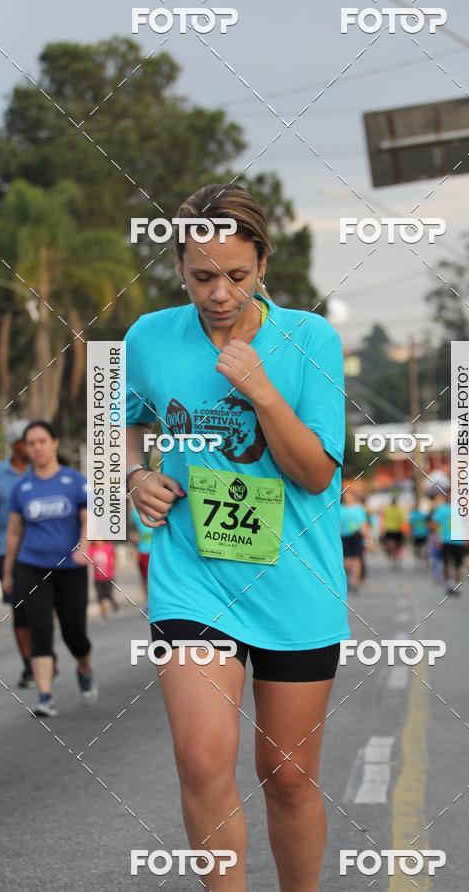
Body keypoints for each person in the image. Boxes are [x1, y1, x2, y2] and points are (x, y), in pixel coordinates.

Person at [124, 183, 349, 891]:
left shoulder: (311, 339)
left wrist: (262, 389)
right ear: (178, 267)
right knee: (200, 760)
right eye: (201, 277)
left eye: (236, 276)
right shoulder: (148, 337)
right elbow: (119, 426)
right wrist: (134, 475)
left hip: (296, 583)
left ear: (264, 263)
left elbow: (315, 472)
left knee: (287, 775)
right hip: (193, 575)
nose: (219, 294)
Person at [2, 420, 97, 717]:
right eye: (31, 443)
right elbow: (14, 532)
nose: (37, 448)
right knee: (40, 629)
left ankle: (84, 668)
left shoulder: (74, 480)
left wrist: (84, 546)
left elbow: (88, 519)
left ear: (54, 443)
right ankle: (45, 696)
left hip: (70, 568)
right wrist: (7, 572)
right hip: (32, 566)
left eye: (42, 441)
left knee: (74, 633)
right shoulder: (22, 488)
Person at [0, 419, 35, 686]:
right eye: (26, 442)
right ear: (14, 445)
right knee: (20, 611)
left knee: (41, 609)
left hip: (43, 552)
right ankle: (29, 665)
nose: (32, 446)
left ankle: (43, 655)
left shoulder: (43, 469)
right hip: (10, 552)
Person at [430, 490, 466, 596]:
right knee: (446, 563)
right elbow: (435, 525)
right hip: (445, 540)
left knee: (458, 565)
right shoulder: (441, 509)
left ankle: (456, 586)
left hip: (458, 541)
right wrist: (438, 539)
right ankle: (448, 584)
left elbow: (467, 523)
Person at [340, 486, 369, 592]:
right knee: (346, 561)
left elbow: (363, 523)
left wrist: (368, 537)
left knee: (357, 559)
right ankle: (348, 579)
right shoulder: (340, 509)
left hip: (356, 536)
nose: (348, 497)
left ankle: (355, 582)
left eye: (350, 495)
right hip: (343, 537)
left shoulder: (359, 509)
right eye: (346, 495)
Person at [87, 539, 118, 620]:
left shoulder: (108, 547)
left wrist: (114, 565)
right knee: (99, 595)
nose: (98, 541)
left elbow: (114, 556)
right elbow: (88, 558)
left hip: (108, 576)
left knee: (108, 594)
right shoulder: (92, 548)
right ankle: (103, 613)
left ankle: (114, 604)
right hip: (97, 577)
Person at [129, 503, 152, 599]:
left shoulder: (159, 507)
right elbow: (132, 532)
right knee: (145, 578)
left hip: (157, 552)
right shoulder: (135, 512)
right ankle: (147, 601)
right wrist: (134, 549)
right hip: (143, 552)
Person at [381, 494, 406, 567]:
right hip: (397, 530)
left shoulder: (387, 509)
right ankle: (395, 557)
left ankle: (392, 557)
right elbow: (403, 520)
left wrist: (382, 529)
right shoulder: (400, 510)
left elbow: (383, 519)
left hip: (390, 529)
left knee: (391, 545)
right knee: (396, 545)